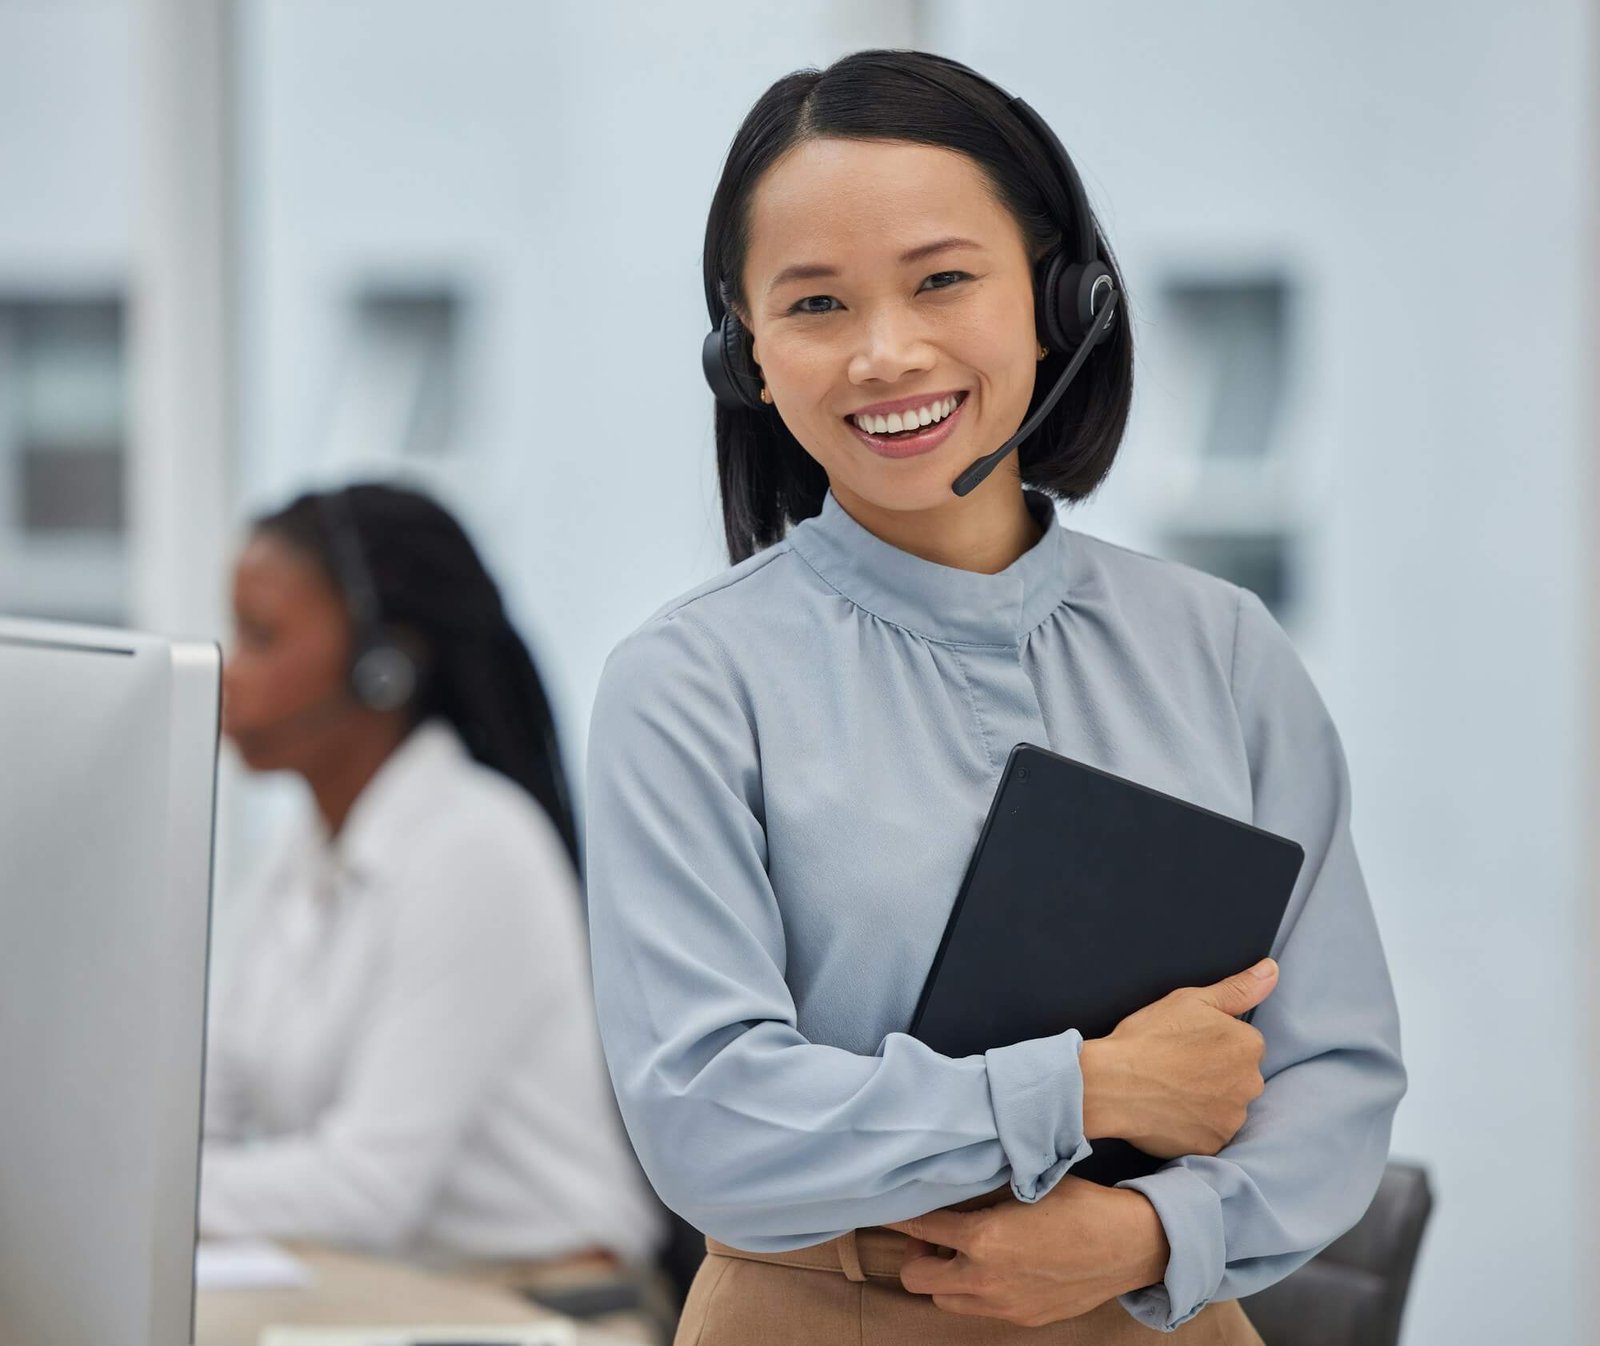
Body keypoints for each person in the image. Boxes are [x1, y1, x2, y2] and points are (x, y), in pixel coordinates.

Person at [582, 50, 1406, 1345]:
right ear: (744, 354)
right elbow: (711, 1120)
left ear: (1061, 299)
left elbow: (1336, 1076)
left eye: (944, 280)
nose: (884, 353)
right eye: (816, 306)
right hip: (822, 1316)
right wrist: (1080, 1089)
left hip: (1162, 1319)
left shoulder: (1222, 650)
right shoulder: (689, 684)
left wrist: (1145, 1231)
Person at [203, 482, 663, 1282]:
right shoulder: (301, 852)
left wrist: (145, 1194)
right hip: (400, 1290)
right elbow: (206, 1107)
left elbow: (368, 1188)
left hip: (550, 1305)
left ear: (384, 665)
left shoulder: (474, 846)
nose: (225, 672)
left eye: (261, 636)